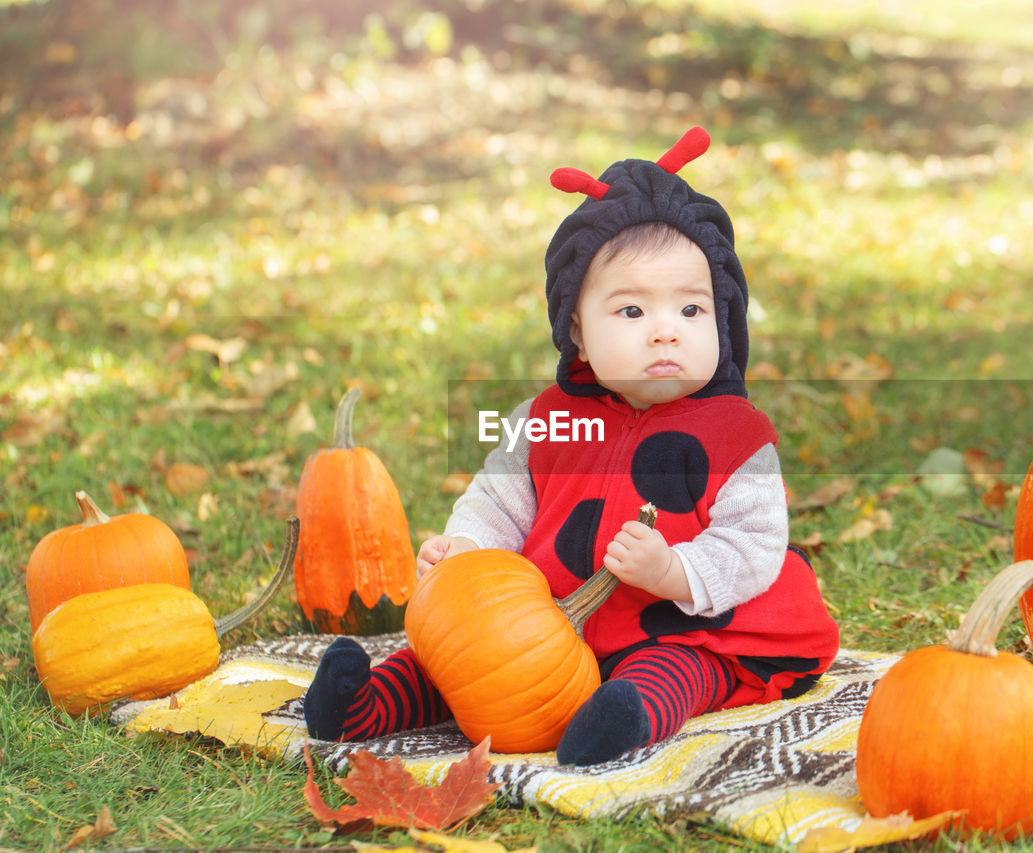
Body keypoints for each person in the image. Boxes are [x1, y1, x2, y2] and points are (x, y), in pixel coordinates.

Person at [303, 127, 840, 766]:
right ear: (577, 333)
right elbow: (498, 500)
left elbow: (754, 543)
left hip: (677, 622)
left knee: (678, 669)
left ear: (722, 317)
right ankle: (363, 704)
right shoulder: (551, 419)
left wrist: (674, 572)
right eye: (633, 312)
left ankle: (625, 719)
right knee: (459, 655)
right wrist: (468, 550)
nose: (666, 332)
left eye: (691, 312)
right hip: (547, 626)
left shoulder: (735, 436)